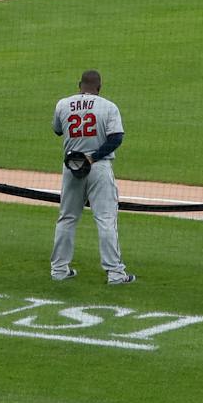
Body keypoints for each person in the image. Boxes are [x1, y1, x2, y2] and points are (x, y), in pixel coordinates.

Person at [51, 68, 132, 285]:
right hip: (98, 167)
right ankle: (115, 273)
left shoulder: (63, 104)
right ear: (99, 87)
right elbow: (116, 138)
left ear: (79, 86)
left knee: (67, 218)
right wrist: (93, 157)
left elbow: (57, 130)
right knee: (105, 219)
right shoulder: (108, 106)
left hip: (72, 167)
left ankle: (59, 270)